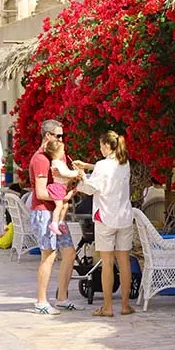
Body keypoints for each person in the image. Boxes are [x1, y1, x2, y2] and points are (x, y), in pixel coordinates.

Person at [75, 130, 135, 318]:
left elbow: (90, 188)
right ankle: (125, 305)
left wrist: (81, 176)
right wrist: (88, 166)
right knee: (124, 262)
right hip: (124, 218)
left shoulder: (102, 166)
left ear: (107, 146)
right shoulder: (125, 164)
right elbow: (109, 169)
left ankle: (107, 307)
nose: (100, 149)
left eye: (101, 145)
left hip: (105, 218)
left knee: (107, 263)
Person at [29, 119, 77, 315]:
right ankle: (41, 301)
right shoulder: (41, 159)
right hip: (44, 212)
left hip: (57, 213)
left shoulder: (57, 156)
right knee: (48, 256)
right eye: (58, 136)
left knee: (69, 252)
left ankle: (62, 298)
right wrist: (63, 196)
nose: (61, 139)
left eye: (62, 136)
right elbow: (40, 193)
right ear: (47, 136)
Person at [44, 140, 83, 236]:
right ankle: (54, 224)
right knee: (59, 206)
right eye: (62, 150)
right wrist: (76, 173)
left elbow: (66, 173)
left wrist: (74, 171)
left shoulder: (59, 162)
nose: (64, 152)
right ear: (56, 152)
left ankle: (61, 222)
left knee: (64, 206)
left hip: (62, 188)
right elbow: (64, 173)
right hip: (58, 187)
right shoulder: (56, 162)